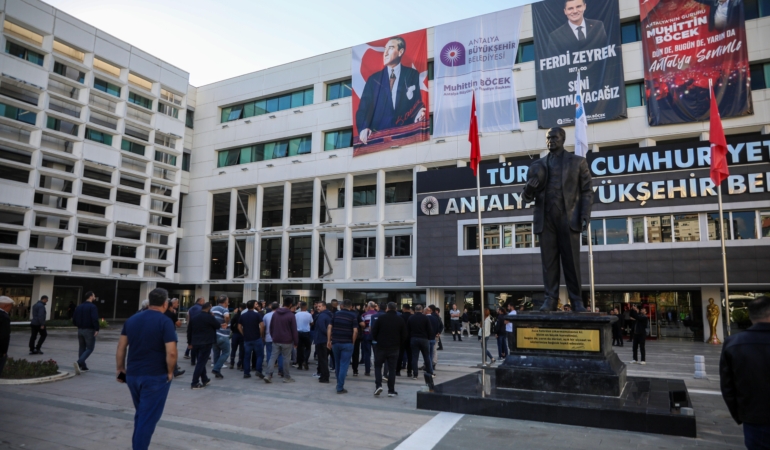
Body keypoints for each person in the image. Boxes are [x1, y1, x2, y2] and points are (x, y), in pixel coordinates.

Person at [522, 127, 593, 312]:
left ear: (563, 139)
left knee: (571, 262)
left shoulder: (577, 162)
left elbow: (587, 191)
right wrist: (528, 189)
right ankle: (550, 299)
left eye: (554, 137)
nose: (550, 141)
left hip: (568, 218)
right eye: (548, 138)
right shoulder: (537, 165)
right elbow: (526, 198)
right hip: (546, 220)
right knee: (549, 263)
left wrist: (584, 214)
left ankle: (576, 300)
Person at [115, 288, 177, 450]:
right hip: (155, 376)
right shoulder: (165, 322)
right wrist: (170, 372)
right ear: (165, 304)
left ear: (149, 302)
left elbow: (121, 347)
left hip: (133, 375)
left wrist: (120, 369)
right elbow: (171, 352)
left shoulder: (132, 320)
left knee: (142, 413)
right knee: (148, 418)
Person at [355, 36, 427, 147]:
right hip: (378, 140)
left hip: (406, 137)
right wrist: (363, 128)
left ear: (400, 52)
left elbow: (417, 103)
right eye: (385, 49)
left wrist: (419, 113)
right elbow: (363, 109)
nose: (386, 53)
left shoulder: (412, 75)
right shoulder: (373, 79)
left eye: (391, 48)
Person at [720, 296, 770, 449]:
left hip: (754, 418)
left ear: (750, 316)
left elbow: (727, 387)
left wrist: (742, 415)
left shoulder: (733, 343)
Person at [372, 302, 407, 397]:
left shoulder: (381, 318)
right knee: (392, 369)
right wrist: (398, 343)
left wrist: (378, 340)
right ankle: (391, 390)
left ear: (387, 308)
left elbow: (374, 332)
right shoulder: (400, 319)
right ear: (396, 308)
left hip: (381, 347)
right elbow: (404, 335)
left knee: (378, 366)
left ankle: (378, 385)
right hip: (394, 347)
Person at [264, 298, 298, 383]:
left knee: (272, 357)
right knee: (286, 359)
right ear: (290, 305)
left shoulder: (275, 314)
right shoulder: (291, 315)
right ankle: (286, 377)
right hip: (287, 340)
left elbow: (271, 327)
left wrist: (273, 336)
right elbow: (294, 330)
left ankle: (268, 375)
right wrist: (296, 341)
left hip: (276, 339)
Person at [328, 299, 358, 394]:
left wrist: (328, 340)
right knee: (344, 365)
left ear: (342, 306)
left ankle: (339, 384)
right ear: (351, 306)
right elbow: (355, 331)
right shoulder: (353, 315)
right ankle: (340, 387)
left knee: (337, 364)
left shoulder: (335, 314)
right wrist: (353, 342)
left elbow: (329, 327)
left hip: (335, 342)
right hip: (347, 343)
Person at [187, 302, 218, 389]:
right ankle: (194, 382)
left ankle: (205, 379)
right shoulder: (209, 317)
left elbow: (189, 330)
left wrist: (189, 343)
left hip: (195, 342)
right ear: (208, 309)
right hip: (206, 343)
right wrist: (212, 316)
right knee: (201, 363)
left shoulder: (195, 317)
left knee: (201, 361)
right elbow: (217, 325)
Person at [407, 305, 435, 391]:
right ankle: (429, 372)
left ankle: (415, 374)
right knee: (426, 356)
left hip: (414, 338)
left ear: (415, 310)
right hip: (424, 339)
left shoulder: (411, 318)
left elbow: (408, 329)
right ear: (422, 310)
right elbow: (429, 329)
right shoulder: (425, 318)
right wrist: (429, 337)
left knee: (414, 357)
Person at [73, 291, 99, 374]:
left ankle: (83, 366)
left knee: (82, 347)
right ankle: (79, 362)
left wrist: (77, 325)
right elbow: (94, 318)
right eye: (94, 296)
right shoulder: (92, 307)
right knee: (90, 348)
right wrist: (97, 329)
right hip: (89, 330)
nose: (95, 297)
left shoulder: (79, 306)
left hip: (80, 329)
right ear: (91, 297)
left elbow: (74, 318)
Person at [239, 300, 265, 379]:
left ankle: (246, 373)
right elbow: (262, 325)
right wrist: (261, 334)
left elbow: (239, 326)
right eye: (256, 304)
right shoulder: (257, 315)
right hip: (256, 337)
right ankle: (258, 370)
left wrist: (243, 333)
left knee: (247, 356)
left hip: (247, 338)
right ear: (253, 305)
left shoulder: (243, 315)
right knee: (260, 355)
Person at [163, 298, 185, 378]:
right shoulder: (171, 314)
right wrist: (179, 320)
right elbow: (178, 324)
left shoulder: (162, 313)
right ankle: (174, 370)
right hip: (171, 333)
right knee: (172, 351)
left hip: (162, 334)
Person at [210, 295, 230, 379]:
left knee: (216, 353)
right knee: (226, 352)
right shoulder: (224, 309)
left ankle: (217, 371)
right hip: (222, 334)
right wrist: (226, 322)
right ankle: (216, 368)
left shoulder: (212, 308)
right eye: (228, 300)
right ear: (225, 302)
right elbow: (227, 316)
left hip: (213, 334)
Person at [263, 302, 284, 378]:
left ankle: (270, 372)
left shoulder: (266, 315)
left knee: (270, 354)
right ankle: (281, 370)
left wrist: (263, 336)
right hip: (279, 337)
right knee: (280, 354)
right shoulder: (281, 315)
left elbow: (263, 327)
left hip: (268, 337)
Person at [314, 302, 333, 383]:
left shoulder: (322, 316)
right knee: (325, 359)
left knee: (322, 360)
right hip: (327, 340)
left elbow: (322, 328)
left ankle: (324, 377)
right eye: (317, 306)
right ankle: (324, 375)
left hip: (321, 340)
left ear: (324, 307)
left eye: (320, 306)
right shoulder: (330, 315)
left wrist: (329, 336)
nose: (318, 308)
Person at [295, 301, 313, 371]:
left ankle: (300, 365)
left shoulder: (296, 314)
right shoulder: (309, 315)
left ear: (300, 307)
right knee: (308, 348)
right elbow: (312, 323)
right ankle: (305, 361)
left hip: (298, 333)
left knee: (299, 349)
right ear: (306, 307)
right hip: (306, 333)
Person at [360, 302, 378, 376]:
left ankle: (367, 371)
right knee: (376, 354)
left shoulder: (364, 315)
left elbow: (362, 325)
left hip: (366, 335)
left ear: (369, 307)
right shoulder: (377, 314)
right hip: (375, 336)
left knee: (367, 354)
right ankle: (377, 370)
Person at [397, 304, 413, 377]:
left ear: (404, 308)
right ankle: (409, 372)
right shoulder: (412, 317)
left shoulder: (400, 317)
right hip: (410, 338)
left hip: (402, 338)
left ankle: (397, 371)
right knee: (410, 355)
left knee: (400, 354)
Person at [426, 305, 443, 372]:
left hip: (433, 335)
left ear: (431, 310)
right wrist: (439, 332)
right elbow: (441, 325)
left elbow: (439, 325)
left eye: (428, 309)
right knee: (433, 349)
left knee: (432, 350)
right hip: (435, 335)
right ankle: (432, 363)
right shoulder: (436, 316)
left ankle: (432, 363)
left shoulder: (433, 316)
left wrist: (438, 332)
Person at [228, 303, 244, 370]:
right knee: (241, 350)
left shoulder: (236, 315)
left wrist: (233, 330)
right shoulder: (244, 315)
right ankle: (239, 363)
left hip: (235, 333)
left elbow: (231, 324)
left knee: (233, 349)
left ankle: (232, 362)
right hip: (242, 334)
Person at [0, 296, 12, 376]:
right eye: (10, 306)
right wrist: (4, 351)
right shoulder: (4, 317)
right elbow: (4, 336)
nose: (10, 309)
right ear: (5, 306)